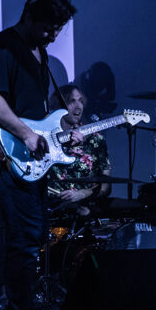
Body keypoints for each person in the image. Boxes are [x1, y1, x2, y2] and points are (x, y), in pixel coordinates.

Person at [0, 0, 81, 310]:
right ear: (29, 16)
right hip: (7, 153)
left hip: (29, 152)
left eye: (58, 29)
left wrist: (62, 131)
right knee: (25, 239)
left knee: (28, 237)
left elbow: (35, 114)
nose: (53, 35)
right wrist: (24, 134)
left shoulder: (40, 51)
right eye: (48, 28)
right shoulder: (5, 45)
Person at [46, 83, 112, 216]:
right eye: (72, 101)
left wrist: (82, 194)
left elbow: (107, 186)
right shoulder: (44, 137)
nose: (78, 106)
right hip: (49, 209)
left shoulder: (95, 139)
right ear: (59, 107)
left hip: (85, 211)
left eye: (80, 101)